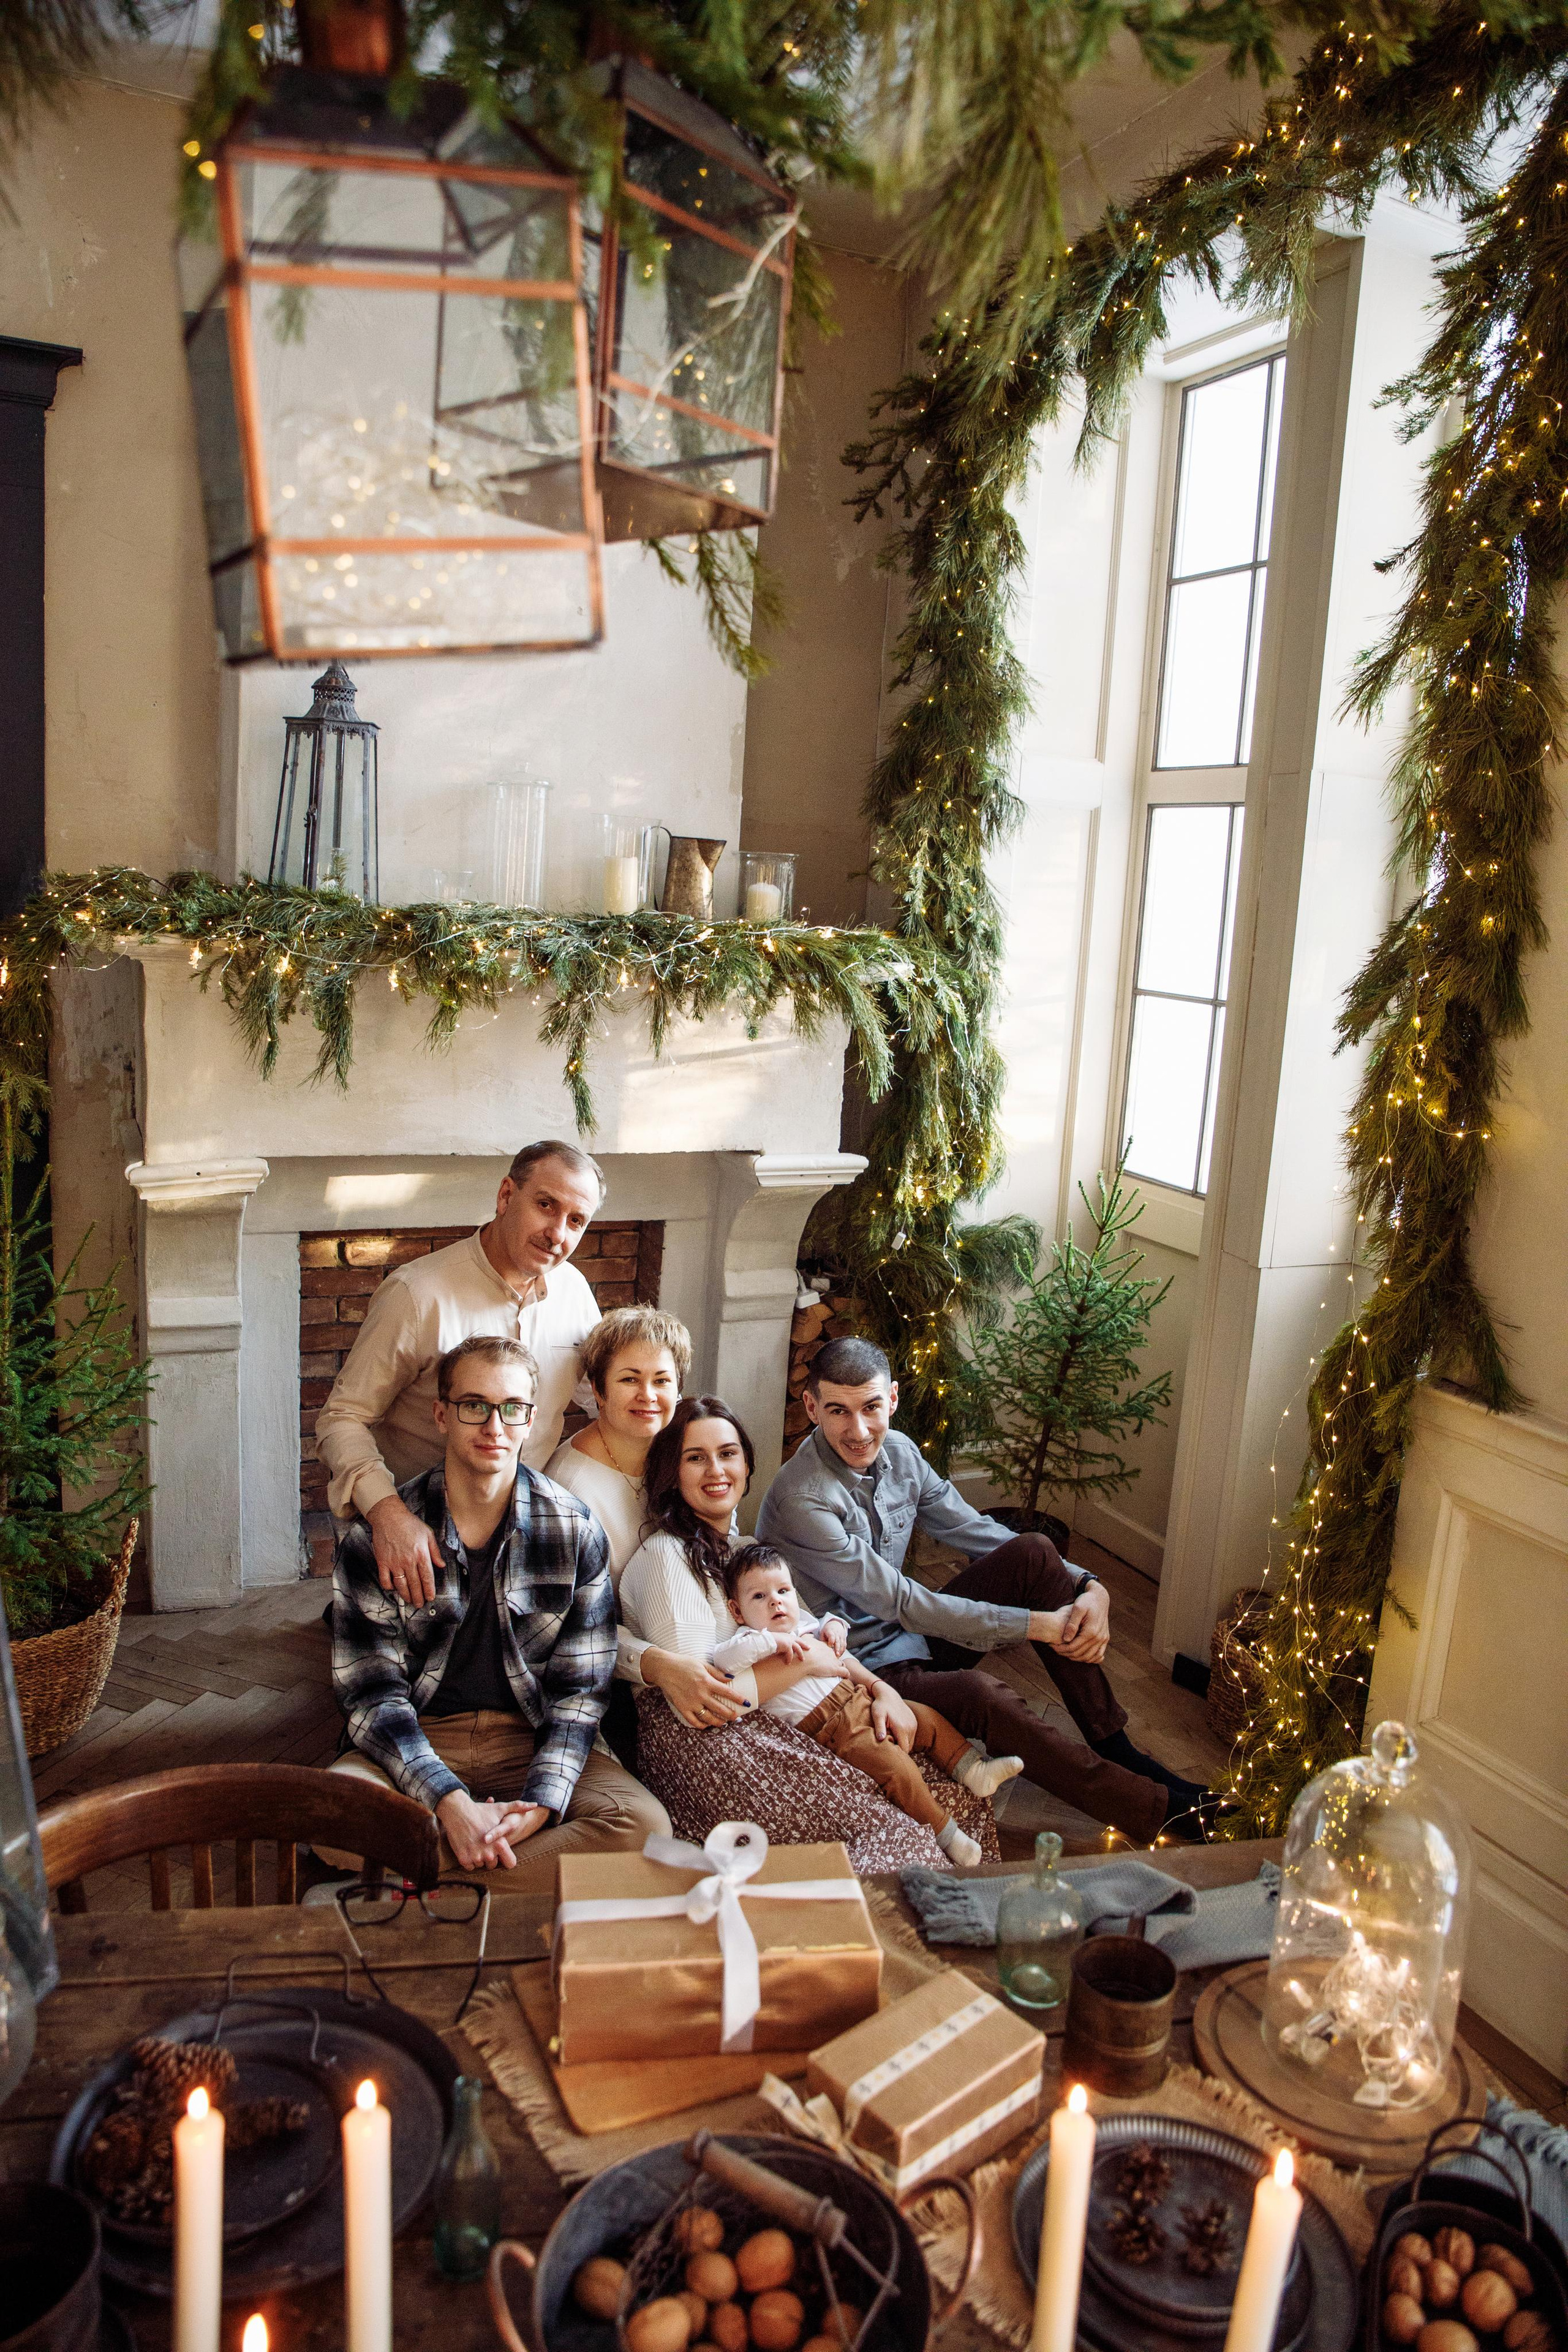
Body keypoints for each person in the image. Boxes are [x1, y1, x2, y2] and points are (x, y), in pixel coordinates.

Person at [756, 1336, 1212, 1845]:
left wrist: (1090, 1584)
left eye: (871, 1407)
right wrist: (1036, 1626)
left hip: (916, 1637)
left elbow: (978, 1532)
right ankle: (1157, 1810)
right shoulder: (803, 1497)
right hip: (865, 1669)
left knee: (1033, 1551)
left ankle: (1117, 1747)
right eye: (838, 1411)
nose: (859, 1430)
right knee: (981, 1695)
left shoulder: (902, 1454)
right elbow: (904, 1602)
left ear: (894, 1399)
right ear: (812, 1406)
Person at [326, 1333, 669, 1886]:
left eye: (512, 1409)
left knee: (643, 1826)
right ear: (441, 1414)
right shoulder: (379, 1537)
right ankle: (505, 1880)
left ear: (530, 1420)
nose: (494, 1427)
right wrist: (450, 1803)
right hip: (419, 1734)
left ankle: (418, 1891)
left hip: (526, 1734)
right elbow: (370, 1696)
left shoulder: (575, 1531)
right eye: (474, 1407)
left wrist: (540, 1806)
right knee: (335, 1818)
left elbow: (582, 1691)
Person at [617, 1397, 997, 1874]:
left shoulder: (746, 1551)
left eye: (728, 1453)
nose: (716, 1469)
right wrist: (809, 1663)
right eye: (696, 1458)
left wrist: (880, 1690)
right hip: (714, 1751)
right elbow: (701, 1706)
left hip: (784, 1715)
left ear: (748, 1463)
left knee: (945, 1786)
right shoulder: (666, 1556)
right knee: (904, 1845)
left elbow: (819, 1636)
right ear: (672, 1474)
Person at [317, 1140, 604, 1610]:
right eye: (546, 1205)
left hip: (523, 1527)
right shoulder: (417, 1294)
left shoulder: (574, 1291)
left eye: (576, 1221)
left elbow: (604, 1400)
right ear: (506, 1196)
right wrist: (389, 1515)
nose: (557, 1234)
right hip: (422, 1525)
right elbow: (341, 1418)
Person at [714, 1542, 1023, 1866]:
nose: (776, 1601)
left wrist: (834, 1626)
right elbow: (725, 1660)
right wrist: (773, 1641)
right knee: (896, 1767)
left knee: (926, 1718)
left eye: (783, 1590)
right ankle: (948, 1834)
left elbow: (831, 1625)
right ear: (737, 1612)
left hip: (859, 1697)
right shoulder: (749, 1641)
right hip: (834, 1728)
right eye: (759, 1597)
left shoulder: (803, 1625)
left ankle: (974, 1769)